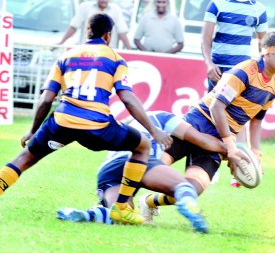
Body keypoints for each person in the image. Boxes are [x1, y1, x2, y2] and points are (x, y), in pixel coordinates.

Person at [0, 14, 172, 225]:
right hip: (97, 126)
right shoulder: (115, 59)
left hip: (62, 122)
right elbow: (127, 98)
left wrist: (33, 130)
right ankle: (120, 209)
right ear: (108, 35)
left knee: (23, 158)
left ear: (86, 32)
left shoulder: (67, 56)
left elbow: (46, 98)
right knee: (143, 145)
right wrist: (154, 131)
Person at [156, 32, 275, 206]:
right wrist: (230, 147)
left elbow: (256, 120)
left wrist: (255, 152)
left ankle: (149, 203)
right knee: (157, 167)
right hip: (198, 123)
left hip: (221, 137)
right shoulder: (244, 71)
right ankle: (120, 197)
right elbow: (216, 107)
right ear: (267, 53)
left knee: (192, 190)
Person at [56, 110, 230, 233]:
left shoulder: (135, 123)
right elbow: (202, 140)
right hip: (138, 160)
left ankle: (87, 215)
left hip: (109, 168)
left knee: (121, 213)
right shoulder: (166, 118)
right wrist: (232, 152)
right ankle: (192, 211)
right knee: (184, 186)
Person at [201, 0, 268, 186]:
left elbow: (263, 46)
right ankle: (208, 166)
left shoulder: (258, 9)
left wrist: (260, 71)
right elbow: (205, 39)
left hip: (242, 73)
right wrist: (209, 63)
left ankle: (238, 170)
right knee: (212, 118)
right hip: (218, 71)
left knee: (238, 119)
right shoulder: (217, 4)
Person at [58, 0, 131, 49]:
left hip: (107, 52)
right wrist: (61, 42)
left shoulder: (115, 9)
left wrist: (130, 50)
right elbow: (74, 27)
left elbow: (122, 32)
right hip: (87, 50)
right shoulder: (85, 7)